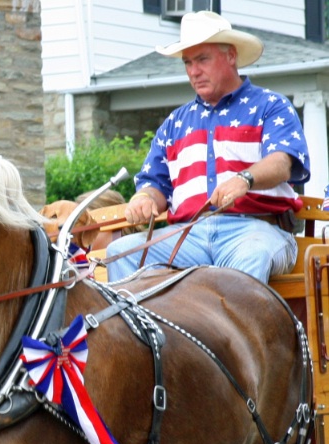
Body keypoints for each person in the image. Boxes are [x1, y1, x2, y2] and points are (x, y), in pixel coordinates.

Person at [106, 11, 310, 283]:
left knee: (251, 254)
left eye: (202, 59)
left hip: (258, 230)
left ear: (231, 56)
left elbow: (282, 163)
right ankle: (146, 328)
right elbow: (155, 185)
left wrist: (245, 179)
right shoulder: (174, 123)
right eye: (187, 62)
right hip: (189, 236)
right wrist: (143, 200)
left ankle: (233, 326)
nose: (193, 71)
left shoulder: (270, 106)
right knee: (120, 252)